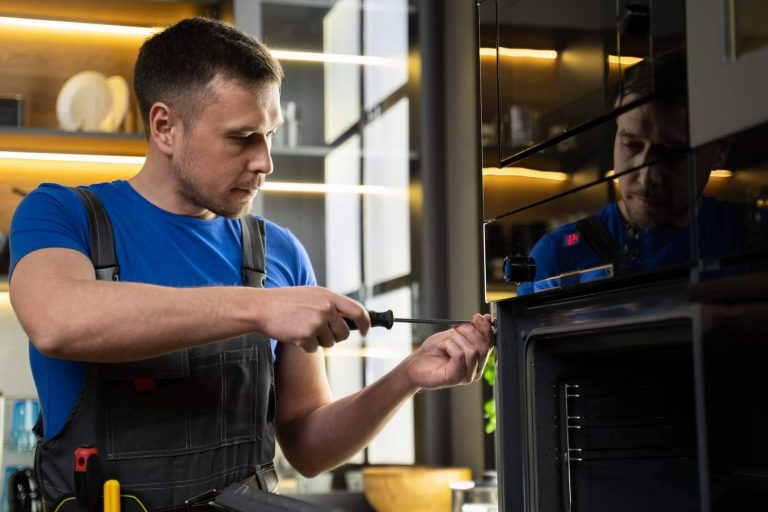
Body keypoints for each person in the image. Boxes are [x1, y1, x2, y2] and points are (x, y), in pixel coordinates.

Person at [8, 17, 494, 511]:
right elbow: (58, 321)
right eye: (242, 138)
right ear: (165, 127)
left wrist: (406, 376)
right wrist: (260, 309)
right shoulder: (62, 214)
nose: (265, 162)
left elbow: (308, 446)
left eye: (270, 135)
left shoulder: (278, 254)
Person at [516, 51, 742, 295]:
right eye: (632, 145)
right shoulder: (557, 256)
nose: (646, 176)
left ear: (720, 151)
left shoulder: (748, 238)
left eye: (672, 153)